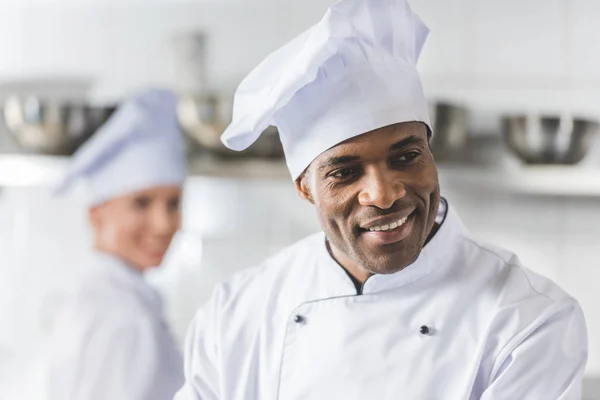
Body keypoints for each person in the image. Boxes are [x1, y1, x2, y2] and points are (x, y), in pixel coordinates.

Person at [175, 1, 588, 399]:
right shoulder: (238, 312)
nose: (385, 194)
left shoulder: (528, 319)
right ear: (305, 187)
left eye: (406, 157)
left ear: (430, 152)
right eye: (345, 172)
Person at [47, 89, 186, 400]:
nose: (164, 223)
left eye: (174, 203)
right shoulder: (124, 318)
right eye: (141, 203)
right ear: (96, 214)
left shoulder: (105, 300)